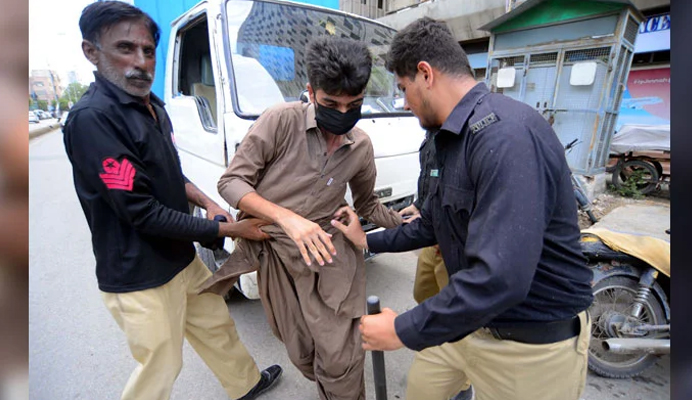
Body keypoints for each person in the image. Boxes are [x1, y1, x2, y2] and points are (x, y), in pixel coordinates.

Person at [331, 17, 594, 400]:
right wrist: (368, 241)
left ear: (425, 74)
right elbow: (432, 224)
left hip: (528, 348)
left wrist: (401, 329)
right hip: (465, 325)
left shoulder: (506, 136)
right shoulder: (447, 138)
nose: (403, 102)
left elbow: (500, 277)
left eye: (403, 89)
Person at [62, 2, 282, 399]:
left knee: (215, 323)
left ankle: (246, 384)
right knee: (162, 363)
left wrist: (207, 201)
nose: (141, 62)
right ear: (91, 52)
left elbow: (167, 174)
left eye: (148, 51)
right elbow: (140, 210)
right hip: (138, 274)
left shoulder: (151, 108)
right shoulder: (94, 120)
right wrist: (229, 228)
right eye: (125, 48)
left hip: (178, 258)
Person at [199, 36, 403, 400]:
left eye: (353, 104)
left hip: (330, 255)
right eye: (331, 104)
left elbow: (368, 205)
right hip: (275, 254)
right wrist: (288, 219)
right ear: (310, 92)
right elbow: (231, 182)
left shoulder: (361, 147)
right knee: (301, 350)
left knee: (341, 356)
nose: (341, 114)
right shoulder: (280, 121)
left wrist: (413, 226)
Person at [398, 129, 473, 400]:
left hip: (450, 240)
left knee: (454, 310)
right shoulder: (432, 136)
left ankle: (461, 385)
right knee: (424, 294)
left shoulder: (464, 139)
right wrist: (419, 206)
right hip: (432, 233)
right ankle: (436, 354)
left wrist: (450, 234)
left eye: (406, 89)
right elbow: (431, 180)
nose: (405, 104)